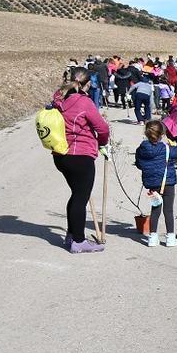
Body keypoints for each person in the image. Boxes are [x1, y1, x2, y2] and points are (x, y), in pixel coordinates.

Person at [50, 68, 111, 253]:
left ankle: (72, 234)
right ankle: (78, 241)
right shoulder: (84, 102)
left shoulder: (58, 99)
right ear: (85, 84)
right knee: (80, 197)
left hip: (60, 155)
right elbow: (102, 128)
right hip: (80, 155)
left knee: (76, 195)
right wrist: (103, 143)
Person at [135, 121, 177, 247]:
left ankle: (152, 237)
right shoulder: (166, 148)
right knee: (168, 210)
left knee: (155, 210)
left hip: (153, 184)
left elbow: (139, 164)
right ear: (162, 134)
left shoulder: (141, 149)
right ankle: (170, 237)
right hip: (168, 182)